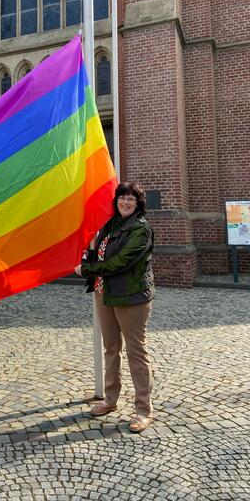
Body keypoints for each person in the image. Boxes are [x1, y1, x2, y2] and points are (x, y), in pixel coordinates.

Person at [75, 181, 155, 433]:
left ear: (138, 203)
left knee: (136, 351)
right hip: (104, 292)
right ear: (116, 200)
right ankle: (110, 399)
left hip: (131, 296)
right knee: (111, 348)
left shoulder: (141, 229)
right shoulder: (109, 224)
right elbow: (100, 253)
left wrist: (89, 269)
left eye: (132, 198)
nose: (126, 202)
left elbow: (120, 262)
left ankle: (143, 410)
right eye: (122, 197)